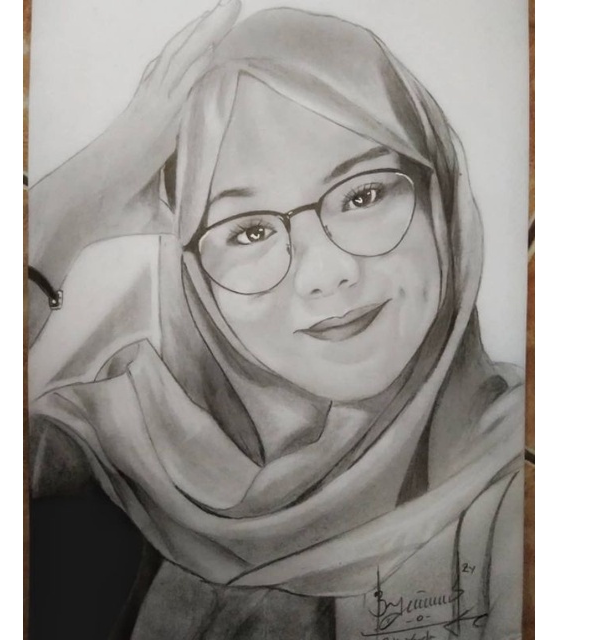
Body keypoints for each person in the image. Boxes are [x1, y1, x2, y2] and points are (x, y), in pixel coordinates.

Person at [28, 2, 524, 639]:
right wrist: (62, 215)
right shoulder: (93, 458)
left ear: (441, 196)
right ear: (191, 271)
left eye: (364, 194)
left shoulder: (530, 465)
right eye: (250, 230)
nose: (325, 273)